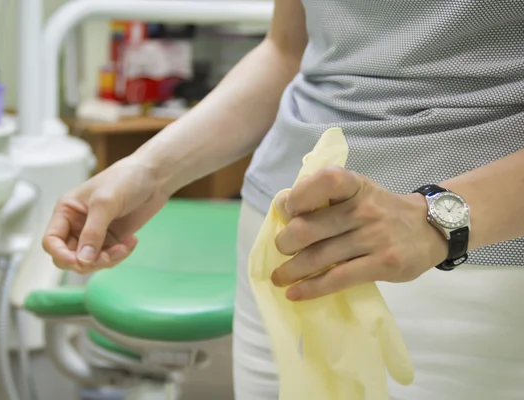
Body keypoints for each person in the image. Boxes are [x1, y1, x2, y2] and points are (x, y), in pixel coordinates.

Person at [42, 1, 524, 399]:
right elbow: (287, 50)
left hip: (470, 265)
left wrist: (438, 219)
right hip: (274, 248)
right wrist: (150, 169)